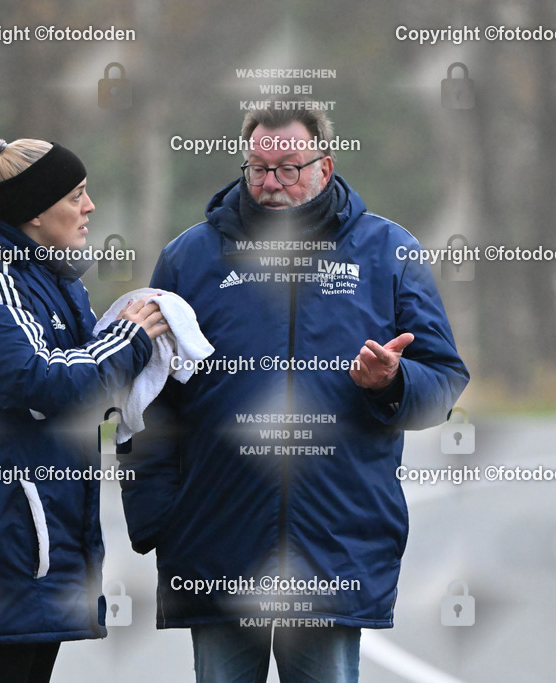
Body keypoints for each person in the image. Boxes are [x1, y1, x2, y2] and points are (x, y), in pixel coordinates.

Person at [119, 102, 469, 682]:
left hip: (334, 538)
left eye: (289, 168)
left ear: (325, 168)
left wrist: (393, 383)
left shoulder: (389, 252)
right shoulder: (190, 259)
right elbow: (150, 401)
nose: (271, 183)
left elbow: (444, 380)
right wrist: (158, 518)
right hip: (216, 540)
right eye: (258, 168)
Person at [0, 137, 168, 683]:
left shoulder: (48, 272)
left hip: (37, 524)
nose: (89, 207)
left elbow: (86, 383)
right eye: (76, 195)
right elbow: (42, 381)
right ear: (32, 214)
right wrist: (130, 338)